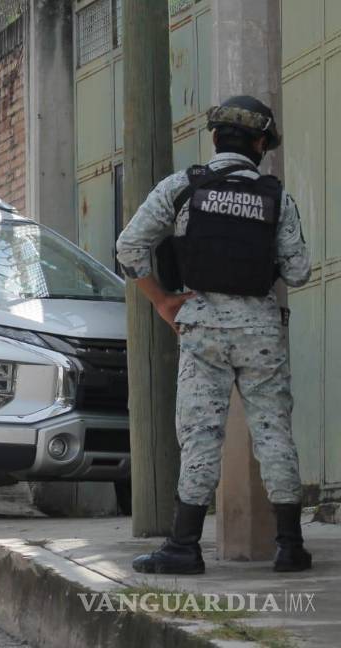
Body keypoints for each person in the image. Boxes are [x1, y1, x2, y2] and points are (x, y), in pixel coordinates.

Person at [117, 96, 312, 575]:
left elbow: (129, 249)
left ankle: (184, 546)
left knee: (200, 435)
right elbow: (300, 270)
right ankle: (290, 547)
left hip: (201, 326)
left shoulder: (182, 187)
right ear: (260, 144)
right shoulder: (275, 197)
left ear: (215, 138)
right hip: (261, 330)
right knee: (274, 434)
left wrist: (162, 300)